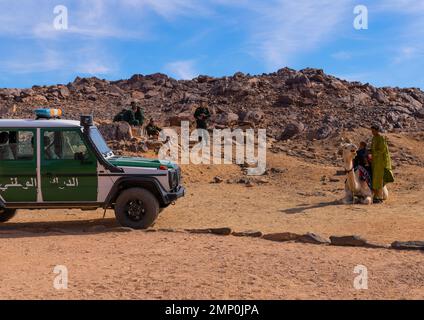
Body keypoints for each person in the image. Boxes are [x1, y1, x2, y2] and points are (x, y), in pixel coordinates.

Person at [370, 124, 394, 203]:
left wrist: (373, 153)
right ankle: (376, 196)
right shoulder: (374, 138)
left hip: (381, 162)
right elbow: (373, 148)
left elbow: (382, 150)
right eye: (372, 131)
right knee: (375, 179)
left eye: (373, 131)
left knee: (379, 179)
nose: (372, 132)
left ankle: (379, 197)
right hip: (375, 162)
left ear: (377, 130)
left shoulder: (381, 138)